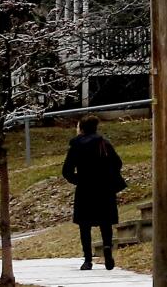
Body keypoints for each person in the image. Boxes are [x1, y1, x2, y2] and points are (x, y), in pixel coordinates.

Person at [61, 115, 123, 270]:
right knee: (105, 222)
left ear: (81, 129)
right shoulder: (104, 143)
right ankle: (107, 248)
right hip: (104, 188)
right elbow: (117, 163)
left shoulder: (76, 146)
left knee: (84, 225)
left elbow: (66, 170)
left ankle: (88, 259)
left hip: (85, 189)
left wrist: (78, 180)